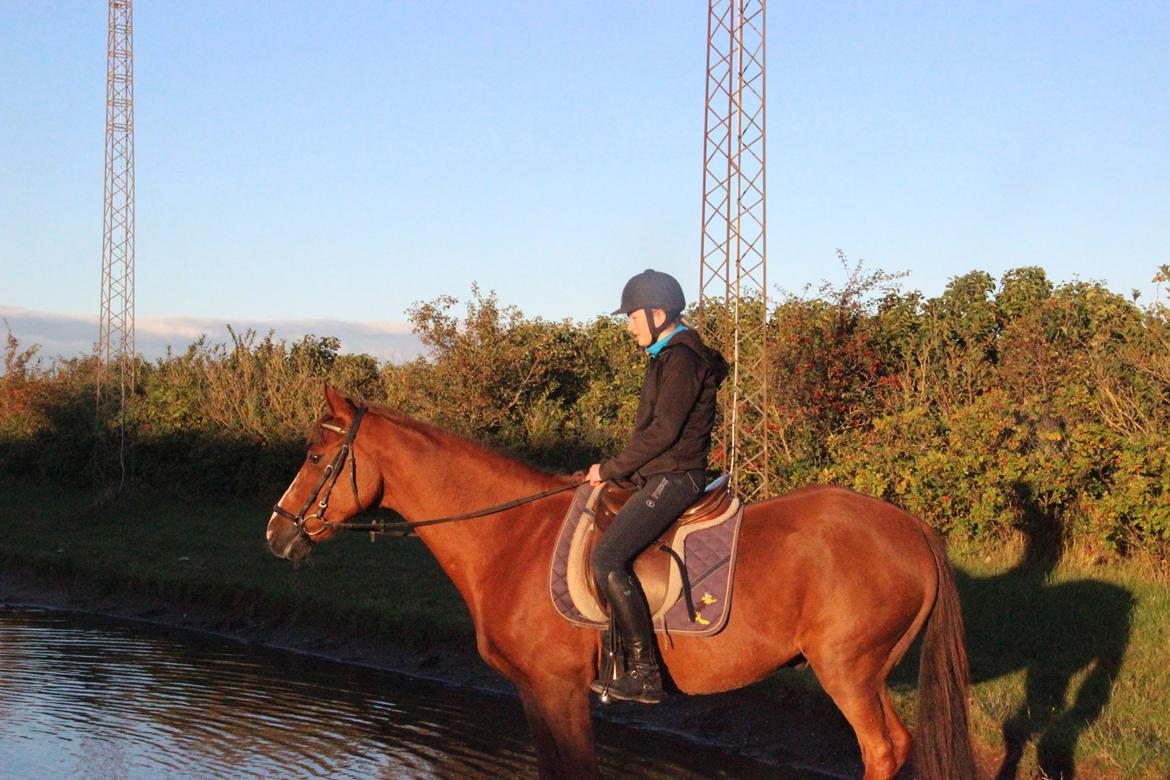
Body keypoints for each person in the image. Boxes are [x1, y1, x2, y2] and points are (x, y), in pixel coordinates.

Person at [586, 268, 728, 704]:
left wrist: (611, 468)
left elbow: (662, 432)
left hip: (676, 478)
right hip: (660, 473)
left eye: (632, 317)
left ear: (659, 313)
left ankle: (645, 674)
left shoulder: (682, 360)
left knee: (607, 558)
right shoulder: (668, 357)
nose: (629, 326)